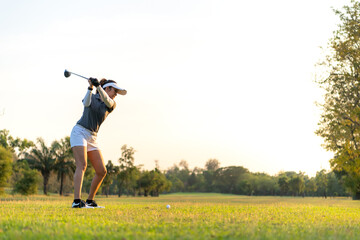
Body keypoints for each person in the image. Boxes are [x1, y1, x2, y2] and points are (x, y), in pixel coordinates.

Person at [70, 77, 126, 208]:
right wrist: (90, 87)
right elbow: (86, 103)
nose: (116, 95)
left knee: (101, 171)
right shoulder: (92, 96)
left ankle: (89, 201)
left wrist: (98, 87)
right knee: (82, 165)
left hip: (92, 136)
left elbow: (107, 99)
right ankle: (77, 201)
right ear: (108, 88)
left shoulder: (111, 103)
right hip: (79, 132)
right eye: (115, 91)